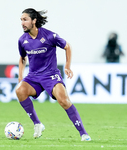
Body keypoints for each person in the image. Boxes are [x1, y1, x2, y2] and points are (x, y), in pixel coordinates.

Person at [15, 8, 91, 141]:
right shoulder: (22, 40)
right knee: (19, 91)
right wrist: (20, 78)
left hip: (50, 76)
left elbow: (67, 46)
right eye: (21, 20)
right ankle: (37, 124)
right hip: (33, 77)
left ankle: (83, 133)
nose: (22, 23)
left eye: (25, 20)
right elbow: (22, 58)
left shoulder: (49, 36)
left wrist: (67, 66)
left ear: (34, 21)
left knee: (64, 101)